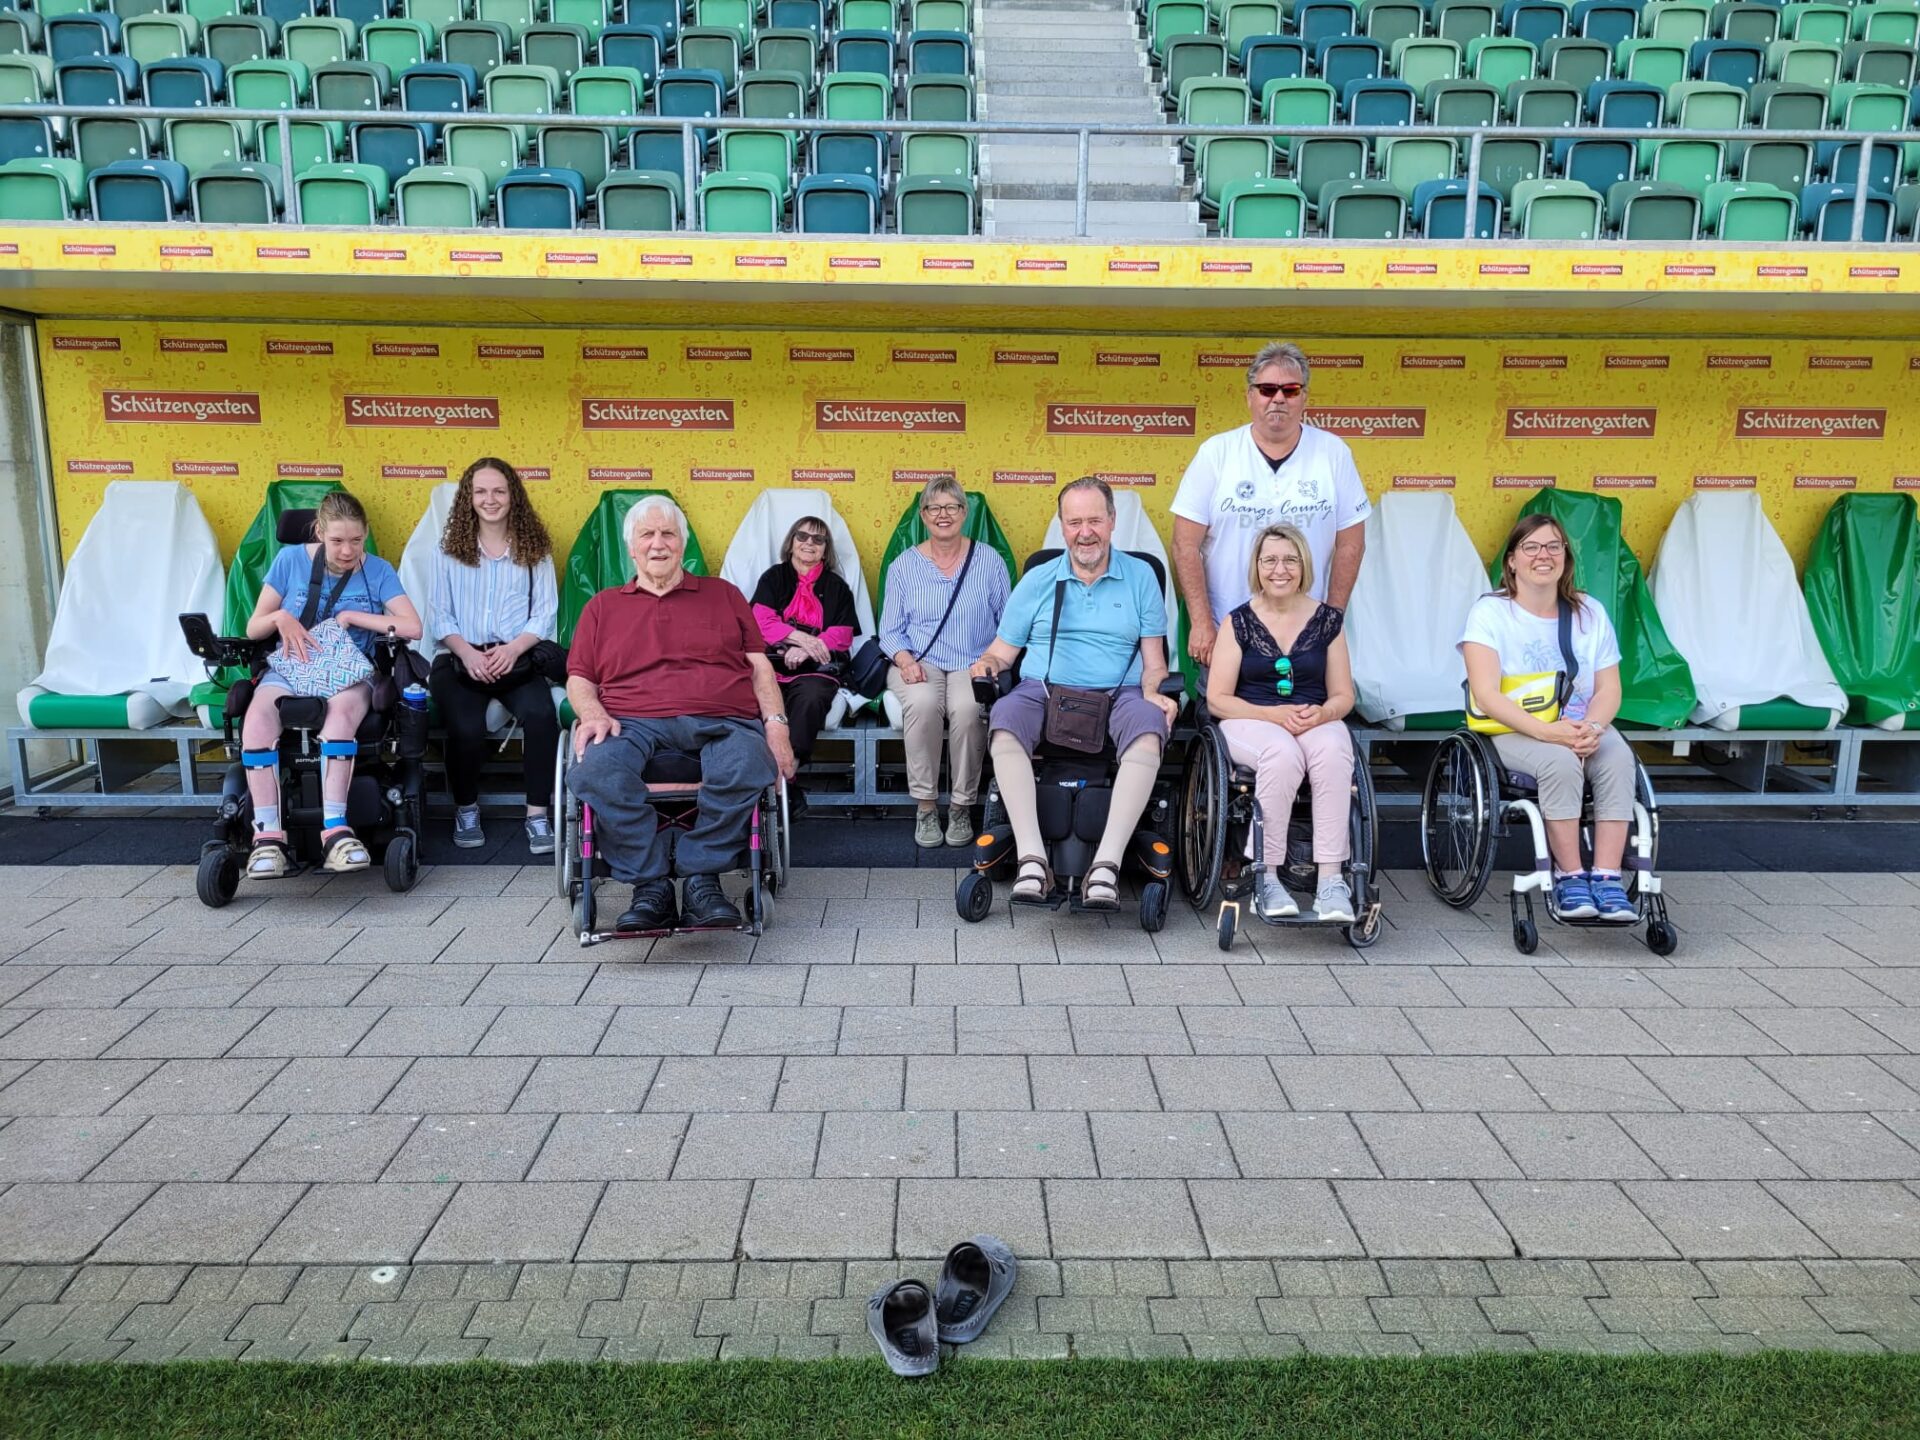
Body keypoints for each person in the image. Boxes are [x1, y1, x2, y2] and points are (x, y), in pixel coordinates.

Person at [565, 495, 797, 932]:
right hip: (630, 721)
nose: (658, 543)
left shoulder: (724, 596)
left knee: (750, 761)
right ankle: (649, 884)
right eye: (647, 535)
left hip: (723, 719)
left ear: (682, 544)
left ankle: (699, 877)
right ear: (631, 547)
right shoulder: (602, 606)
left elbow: (760, 668)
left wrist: (777, 727)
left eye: (668, 533)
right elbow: (580, 677)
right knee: (594, 770)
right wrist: (592, 713)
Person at [970, 476, 1178, 911]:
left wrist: (1156, 693)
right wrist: (987, 663)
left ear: (1113, 521)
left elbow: (1154, 662)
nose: (1085, 533)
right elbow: (1002, 652)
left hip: (1120, 694)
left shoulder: (1141, 576)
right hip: (1045, 691)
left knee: (1148, 725)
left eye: (1095, 521)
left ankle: (1106, 865)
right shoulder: (1038, 579)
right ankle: (1032, 860)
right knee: (1005, 718)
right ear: (1062, 525)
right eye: (1074, 522)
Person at [1460, 513, 1636, 923]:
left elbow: (1609, 689)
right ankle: (1570, 875)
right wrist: (1546, 732)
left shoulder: (1590, 612)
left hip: (1581, 723)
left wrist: (1593, 727)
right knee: (1559, 763)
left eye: (1554, 546)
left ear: (1566, 558)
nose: (1544, 555)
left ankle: (1607, 877)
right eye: (1532, 547)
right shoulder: (1490, 613)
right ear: (1512, 560)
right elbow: (1486, 694)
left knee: (1617, 756)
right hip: (1516, 728)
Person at [241, 489, 422, 878]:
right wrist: (280, 619)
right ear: (319, 532)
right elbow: (253, 627)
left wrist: (353, 617)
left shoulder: (378, 570)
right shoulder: (290, 561)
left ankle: (336, 832)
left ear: (366, 533)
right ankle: (267, 837)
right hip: (292, 667)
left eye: (356, 540)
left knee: (340, 716)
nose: (347, 550)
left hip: (348, 671)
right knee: (256, 721)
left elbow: (412, 626)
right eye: (337, 540)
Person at [1172, 341, 1371, 674]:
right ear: (1250, 396)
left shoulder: (1333, 453)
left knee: (1309, 707)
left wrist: (1331, 620)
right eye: (1267, 389)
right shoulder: (1216, 453)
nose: (1278, 398)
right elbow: (1184, 545)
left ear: (1304, 398)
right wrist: (1202, 622)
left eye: (1290, 390)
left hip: (1306, 639)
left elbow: (1352, 544)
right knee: (1225, 708)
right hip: (1227, 633)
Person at [1204, 524, 1356, 923]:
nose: (1280, 569)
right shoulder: (1238, 622)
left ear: (1304, 565)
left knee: (1334, 748)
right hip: (1249, 718)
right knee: (1282, 752)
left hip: (1312, 716)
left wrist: (1324, 714)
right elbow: (1217, 699)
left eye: (1290, 560)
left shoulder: (1328, 621)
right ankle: (1267, 877)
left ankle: (1330, 881)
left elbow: (1344, 695)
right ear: (1256, 566)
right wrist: (1271, 715)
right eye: (1269, 560)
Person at [427, 457, 562, 856]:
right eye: (481, 491)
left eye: (499, 491)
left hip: (516, 657)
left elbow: (545, 613)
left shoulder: (535, 550)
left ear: (512, 496)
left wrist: (514, 648)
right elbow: (439, 615)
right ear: (468, 498)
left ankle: (537, 815)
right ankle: (466, 809)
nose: (490, 499)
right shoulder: (446, 550)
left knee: (541, 716)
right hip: (459, 657)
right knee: (465, 728)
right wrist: (467, 653)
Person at [878, 477, 1012, 849]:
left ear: (964, 513)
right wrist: (904, 660)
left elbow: (1009, 624)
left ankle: (960, 806)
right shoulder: (904, 565)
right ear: (923, 515)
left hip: (974, 661)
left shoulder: (989, 561)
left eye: (952, 506)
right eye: (934, 508)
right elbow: (889, 630)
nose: (943, 515)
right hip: (919, 660)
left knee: (969, 709)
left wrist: (992, 659)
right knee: (922, 704)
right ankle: (925, 806)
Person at [749, 515, 860, 807]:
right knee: (751, 695)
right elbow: (760, 621)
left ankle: (786, 776)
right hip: (772, 664)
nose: (809, 543)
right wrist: (801, 639)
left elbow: (843, 634)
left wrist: (811, 650)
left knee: (810, 697)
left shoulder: (837, 586)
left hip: (816, 669)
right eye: (802, 536)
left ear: (825, 549)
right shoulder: (774, 577)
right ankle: (756, 775)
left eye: (818, 539)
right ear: (791, 543)